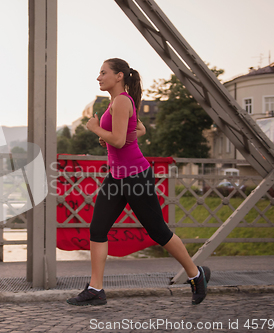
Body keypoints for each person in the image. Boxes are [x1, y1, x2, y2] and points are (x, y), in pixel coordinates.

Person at [66, 58, 210, 306]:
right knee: (98, 230)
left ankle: (196, 275)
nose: (98, 77)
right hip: (116, 177)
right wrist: (108, 137)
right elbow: (138, 130)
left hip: (135, 177)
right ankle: (95, 289)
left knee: (158, 231)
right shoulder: (116, 103)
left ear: (119, 76)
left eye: (103, 72)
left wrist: (96, 129)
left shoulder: (122, 101)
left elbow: (121, 141)